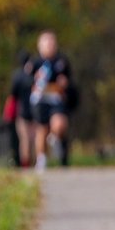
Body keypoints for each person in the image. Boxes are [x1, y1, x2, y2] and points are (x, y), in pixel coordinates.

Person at [30, 31, 74, 172]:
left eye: (52, 43)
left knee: (60, 124)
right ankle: (41, 159)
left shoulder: (62, 61)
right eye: (46, 43)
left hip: (56, 99)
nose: (50, 46)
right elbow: (25, 82)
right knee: (42, 129)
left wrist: (64, 84)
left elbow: (69, 81)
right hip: (40, 100)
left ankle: (54, 139)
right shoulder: (34, 63)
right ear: (40, 46)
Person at [7, 50, 35, 167]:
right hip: (33, 111)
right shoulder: (35, 75)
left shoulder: (17, 76)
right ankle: (34, 164)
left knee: (25, 140)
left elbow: (13, 95)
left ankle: (26, 165)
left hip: (22, 112)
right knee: (32, 140)